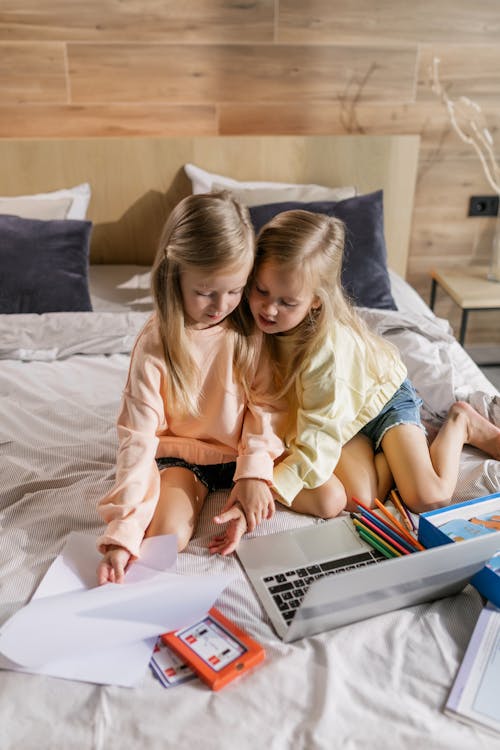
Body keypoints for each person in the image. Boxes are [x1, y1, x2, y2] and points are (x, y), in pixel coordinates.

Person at [210, 209, 500, 555]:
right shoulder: (249, 316)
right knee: (359, 498)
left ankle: (461, 422)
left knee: (427, 496)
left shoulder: (326, 352)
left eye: (287, 302)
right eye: (261, 290)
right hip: (337, 413)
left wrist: (267, 485)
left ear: (316, 300)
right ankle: (390, 456)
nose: (269, 310)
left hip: (381, 400)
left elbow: (318, 439)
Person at [96, 192, 283, 584]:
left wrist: (253, 474)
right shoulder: (155, 344)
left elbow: (266, 407)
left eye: (235, 291)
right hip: (182, 457)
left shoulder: (250, 329)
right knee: (168, 537)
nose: (221, 306)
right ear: (173, 273)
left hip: (240, 456)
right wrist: (122, 534)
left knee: (327, 500)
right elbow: (137, 440)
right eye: (205, 292)